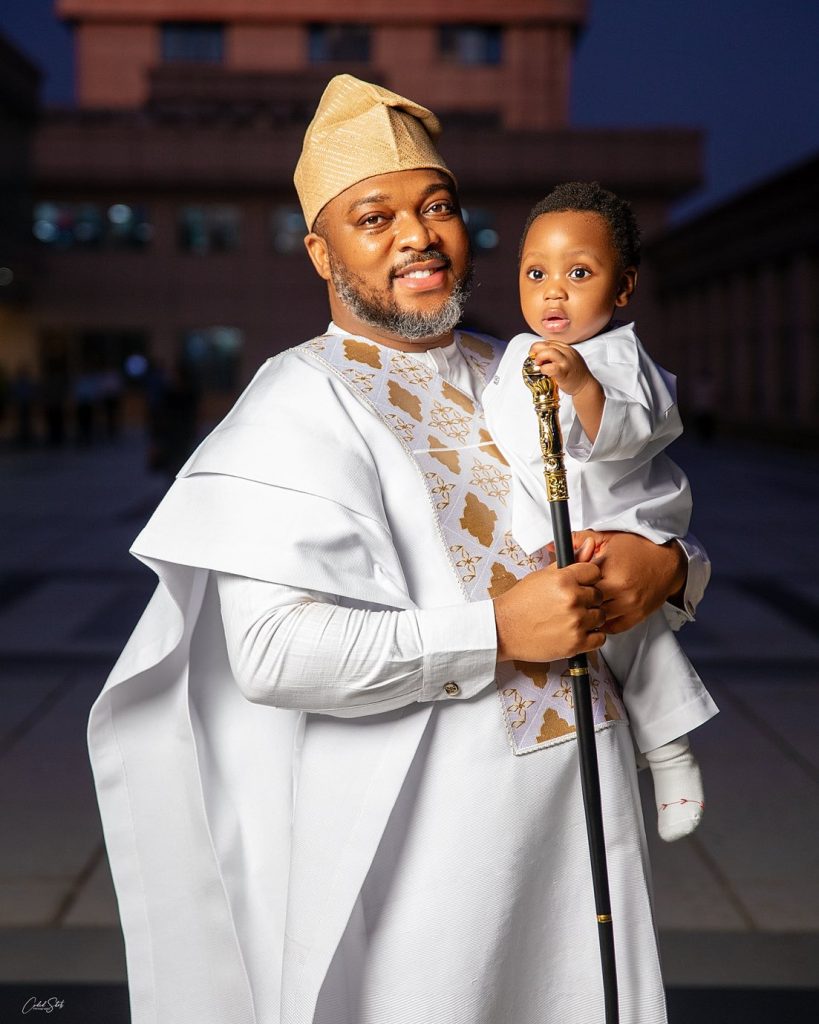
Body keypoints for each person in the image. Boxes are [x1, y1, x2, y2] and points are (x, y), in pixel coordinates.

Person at [89, 76, 711, 1024]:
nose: (417, 236)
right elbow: (272, 654)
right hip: (424, 844)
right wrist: (495, 631)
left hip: (583, 802)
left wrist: (664, 568)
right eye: (374, 217)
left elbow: (643, 497)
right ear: (320, 251)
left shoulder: (523, 366)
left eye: (437, 208)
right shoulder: (295, 401)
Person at [483, 182, 717, 842]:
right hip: (550, 527)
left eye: (579, 273)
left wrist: (583, 386)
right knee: (591, 642)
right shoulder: (513, 352)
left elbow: (635, 428)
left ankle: (669, 753)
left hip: (618, 521)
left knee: (635, 636)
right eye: (536, 273)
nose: (553, 292)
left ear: (623, 287)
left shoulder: (619, 355)